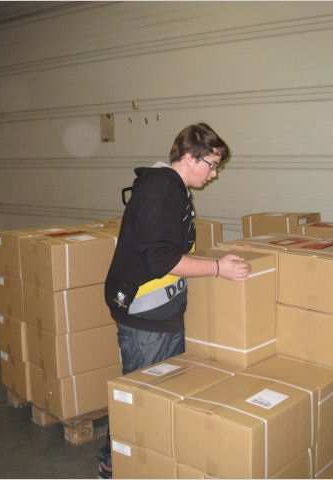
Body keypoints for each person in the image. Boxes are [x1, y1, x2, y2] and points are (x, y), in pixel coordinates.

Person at [97, 123, 251, 478]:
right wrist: (217, 269)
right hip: (145, 316)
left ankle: (147, 459)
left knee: (158, 392)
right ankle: (113, 463)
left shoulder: (174, 188)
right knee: (142, 395)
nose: (214, 174)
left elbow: (170, 246)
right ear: (190, 157)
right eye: (211, 165)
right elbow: (160, 259)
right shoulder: (160, 190)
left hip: (161, 313)